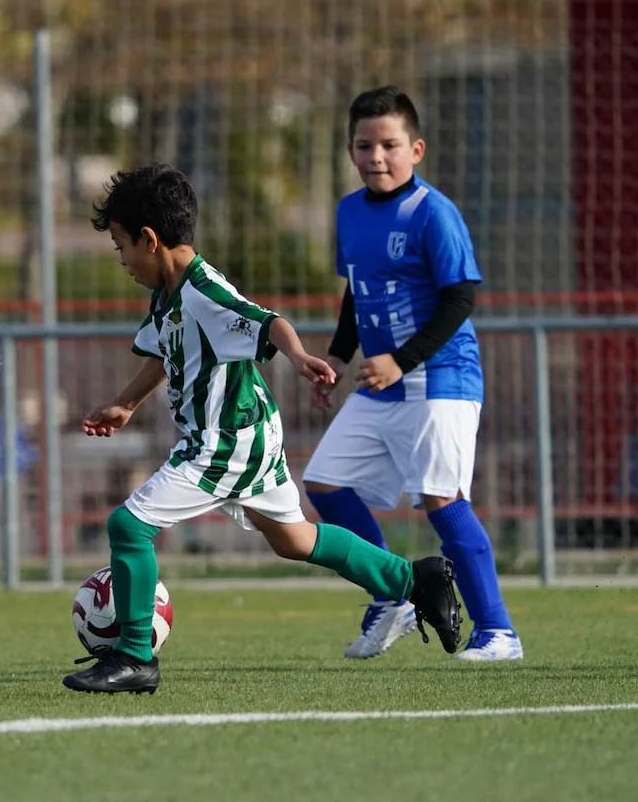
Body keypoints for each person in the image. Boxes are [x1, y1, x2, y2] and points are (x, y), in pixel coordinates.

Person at [62, 163, 463, 695]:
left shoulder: (204, 290)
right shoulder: (167, 296)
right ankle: (417, 579)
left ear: (150, 239)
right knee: (295, 540)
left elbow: (268, 321)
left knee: (128, 526)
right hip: (246, 434)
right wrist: (125, 404)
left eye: (120, 247)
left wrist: (297, 357)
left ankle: (135, 656)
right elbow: (163, 354)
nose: (122, 260)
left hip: (226, 441)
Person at [303, 86, 522, 662]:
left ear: (416, 149)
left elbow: (460, 298)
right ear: (351, 151)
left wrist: (402, 358)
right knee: (323, 483)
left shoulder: (433, 212)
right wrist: (338, 358)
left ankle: (498, 632)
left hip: (439, 379)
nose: (377, 156)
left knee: (440, 498)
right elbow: (357, 292)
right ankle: (392, 593)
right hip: (380, 384)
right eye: (364, 145)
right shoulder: (349, 212)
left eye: (390, 145)